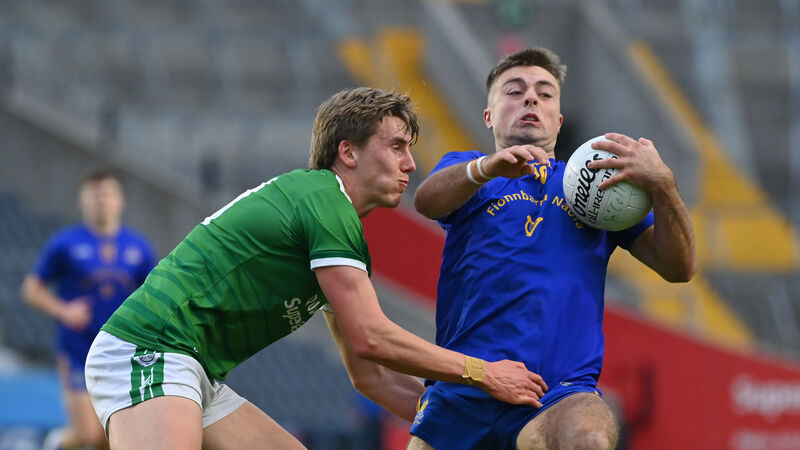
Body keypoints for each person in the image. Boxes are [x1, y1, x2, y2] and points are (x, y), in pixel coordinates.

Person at [84, 87, 548, 450]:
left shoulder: (337, 226)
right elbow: (373, 337)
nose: (410, 163)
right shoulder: (325, 202)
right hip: (149, 350)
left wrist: (473, 427)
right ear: (348, 152)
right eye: (397, 146)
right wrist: (484, 373)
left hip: (197, 372)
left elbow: (372, 376)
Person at [410, 47, 696, 449]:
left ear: (558, 121)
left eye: (545, 94)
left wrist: (663, 183)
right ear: (489, 116)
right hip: (464, 386)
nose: (531, 98)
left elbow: (678, 267)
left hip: (556, 394)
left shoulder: (599, 189)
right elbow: (426, 201)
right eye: (514, 91)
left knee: (589, 438)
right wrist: (487, 167)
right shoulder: (470, 171)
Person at [21, 169, 156, 450]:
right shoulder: (65, 244)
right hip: (77, 350)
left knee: (111, 438)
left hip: (119, 352)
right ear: (82, 201)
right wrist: (64, 310)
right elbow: (31, 290)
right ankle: (55, 442)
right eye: (94, 195)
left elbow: (153, 296)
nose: (101, 201)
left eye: (107, 194)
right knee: (88, 435)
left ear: (120, 201)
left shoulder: (138, 248)